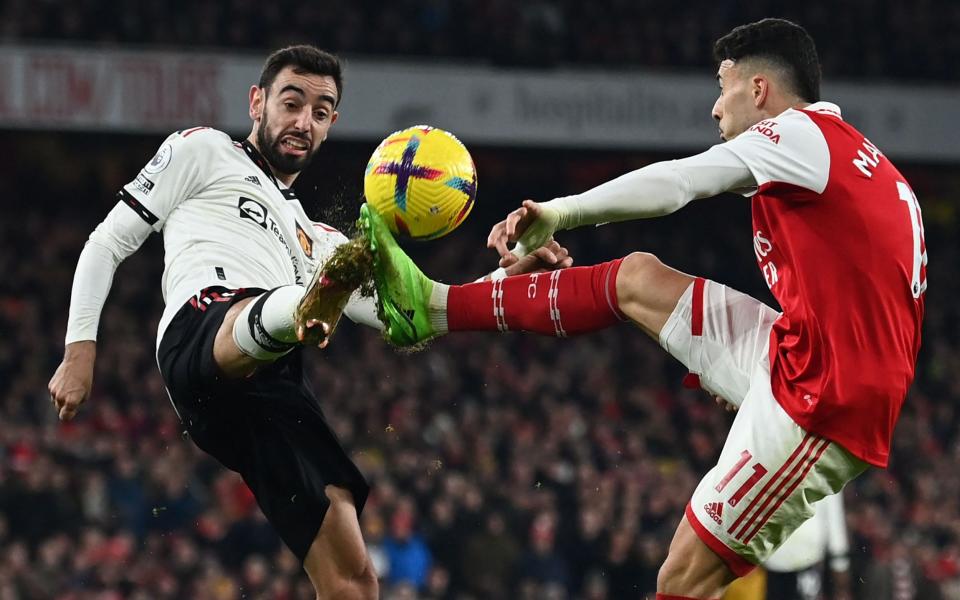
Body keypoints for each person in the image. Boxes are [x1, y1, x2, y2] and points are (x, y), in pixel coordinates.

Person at [362, 18, 925, 600]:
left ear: (759, 90)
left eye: (722, 86)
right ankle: (434, 306)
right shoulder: (859, 156)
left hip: (822, 399)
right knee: (637, 279)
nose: (714, 108)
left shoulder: (801, 135)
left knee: (682, 580)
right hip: (801, 351)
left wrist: (562, 211)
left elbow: (681, 181)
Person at [47, 45, 570, 599]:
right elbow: (106, 241)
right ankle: (303, 309)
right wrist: (79, 351)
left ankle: (305, 309)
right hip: (203, 331)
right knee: (287, 301)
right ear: (257, 102)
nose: (303, 122)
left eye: (320, 113)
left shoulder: (317, 239)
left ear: (331, 125)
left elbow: (428, 311)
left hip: (272, 386)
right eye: (291, 103)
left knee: (355, 579)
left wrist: (512, 278)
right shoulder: (203, 151)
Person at [763, 491, 851, 600]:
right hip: (780, 559)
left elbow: (834, 515)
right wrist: (840, 564)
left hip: (791, 556)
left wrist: (839, 561)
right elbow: (834, 517)